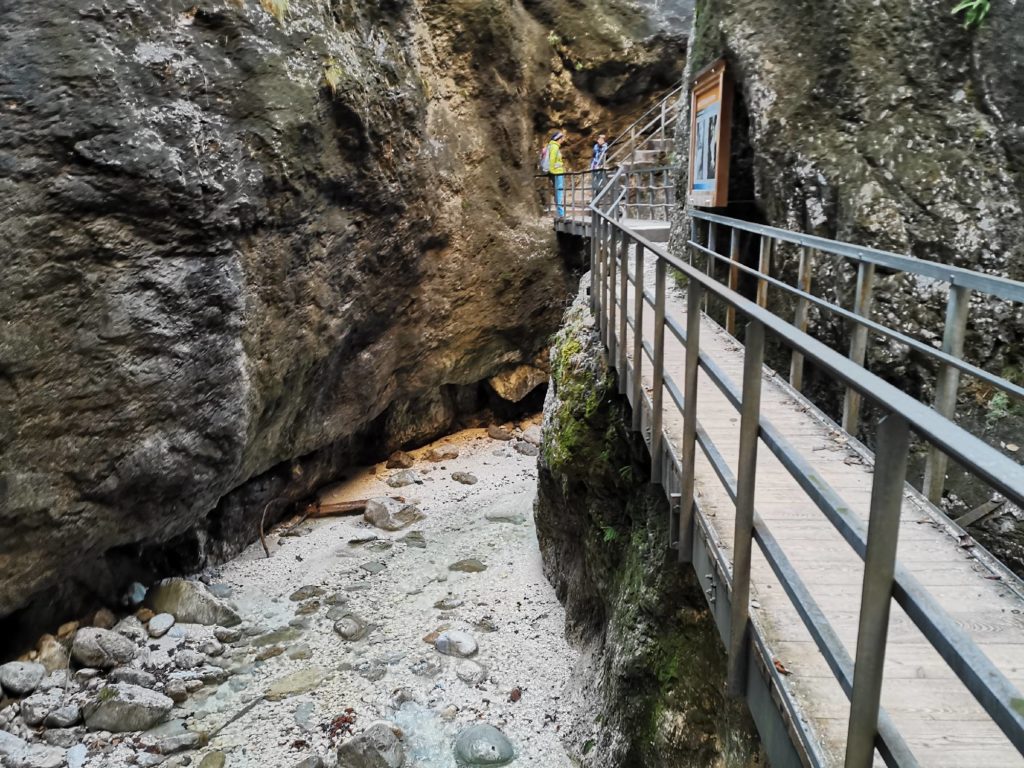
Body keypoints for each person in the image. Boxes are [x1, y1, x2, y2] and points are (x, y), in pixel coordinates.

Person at [547, 131, 566, 217]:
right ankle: (561, 214)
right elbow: (552, 160)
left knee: (558, 191)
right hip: (557, 173)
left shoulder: (552, 146)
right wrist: (553, 171)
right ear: (558, 138)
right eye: (562, 138)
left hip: (557, 173)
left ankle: (560, 213)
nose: (563, 140)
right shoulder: (554, 147)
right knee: (559, 192)